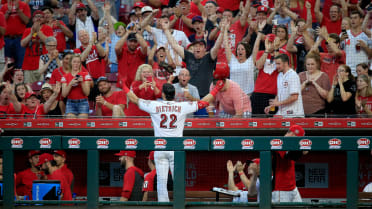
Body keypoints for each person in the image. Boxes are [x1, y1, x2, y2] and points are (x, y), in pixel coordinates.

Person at [123, 78, 225, 202]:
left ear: (163, 94)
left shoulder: (155, 105)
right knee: (178, 179)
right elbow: (203, 103)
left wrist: (124, 86)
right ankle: (179, 204)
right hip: (176, 149)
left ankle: (163, 205)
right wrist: (216, 89)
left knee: (161, 181)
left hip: (160, 148)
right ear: (174, 94)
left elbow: (134, 99)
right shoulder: (181, 106)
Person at [164, 17, 225, 98]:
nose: (197, 48)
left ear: (205, 49)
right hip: (189, 97)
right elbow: (174, 45)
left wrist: (222, 31)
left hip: (205, 97)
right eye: (196, 46)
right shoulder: (189, 56)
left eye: (200, 46)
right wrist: (166, 30)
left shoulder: (209, 57)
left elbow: (217, 45)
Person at [272, 125, 308, 203]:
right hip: (281, 189)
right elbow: (291, 156)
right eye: (299, 138)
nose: (299, 141)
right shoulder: (279, 142)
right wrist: (302, 149)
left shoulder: (293, 145)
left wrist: (303, 148)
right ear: (293, 134)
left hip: (293, 188)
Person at [20, 10, 53, 84]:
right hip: (28, 65)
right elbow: (22, 44)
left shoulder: (48, 29)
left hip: (43, 64)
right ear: (33, 19)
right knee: (29, 87)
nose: (38, 18)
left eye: (41, 16)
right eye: (36, 16)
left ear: (44, 19)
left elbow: (49, 42)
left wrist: (38, 31)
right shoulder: (27, 30)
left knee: (44, 87)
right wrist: (31, 34)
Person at [224, 27, 255, 96]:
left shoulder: (250, 61)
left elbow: (256, 47)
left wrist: (259, 32)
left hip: (248, 95)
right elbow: (226, 46)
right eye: (238, 49)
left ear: (246, 51)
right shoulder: (232, 61)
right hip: (233, 94)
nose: (240, 51)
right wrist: (225, 31)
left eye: (242, 49)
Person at [1, 0, 31, 69]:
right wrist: (8, 12)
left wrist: (18, 10)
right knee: (7, 65)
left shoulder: (24, 5)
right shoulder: (4, 7)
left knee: (21, 64)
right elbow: (1, 22)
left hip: (20, 39)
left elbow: (26, 21)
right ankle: (7, 79)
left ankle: (19, 79)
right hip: (7, 39)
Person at [61, 54, 92, 119]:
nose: (76, 64)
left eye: (78, 62)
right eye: (74, 62)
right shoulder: (65, 76)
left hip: (83, 103)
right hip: (70, 103)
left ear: (80, 63)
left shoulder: (85, 74)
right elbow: (64, 95)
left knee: (81, 125)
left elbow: (87, 93)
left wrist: (82, 82)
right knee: (71, 125)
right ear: (71, 63)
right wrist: (70, 83)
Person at [344, 10, 372, 76]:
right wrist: (327, 38)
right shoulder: (344, 33)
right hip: (348, 71)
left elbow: (371, 54)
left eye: (355, 18)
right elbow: (335, 45)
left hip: (362, 71)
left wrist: (365, 47)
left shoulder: (367, 35)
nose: (353, 20)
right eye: (351, 18)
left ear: (361, 20)